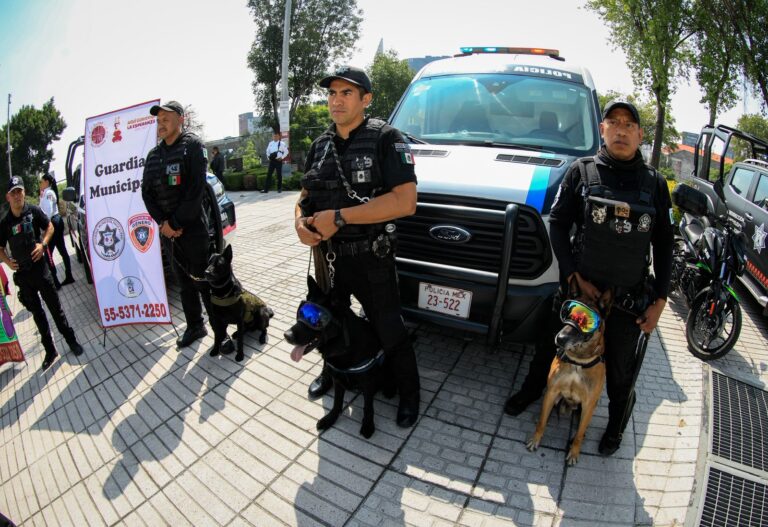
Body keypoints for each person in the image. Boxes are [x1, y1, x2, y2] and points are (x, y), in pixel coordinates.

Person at [503, 100, 674, 455]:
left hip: (626, 301)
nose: (621, 130)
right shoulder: (581, 172)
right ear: (603, 130)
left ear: (640, 134)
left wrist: (660, 301)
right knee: (548, 349)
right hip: (580, 294)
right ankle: (533, 390)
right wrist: (571, 273)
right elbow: (559, 224)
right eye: (614, 122)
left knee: (621, 371)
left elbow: (666, 246)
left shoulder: (655, 184)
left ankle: (614, 426)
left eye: (629, 125)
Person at [295, 66, 421, 428]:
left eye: (346, 93)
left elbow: (405, 201)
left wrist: (340, 217)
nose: (336, 100)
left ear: (366, 99)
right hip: (327, 258)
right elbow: (304, 197)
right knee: (324, 323)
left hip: (370, 256)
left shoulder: (386, 139)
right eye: (332, 93)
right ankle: (332, 375)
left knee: (388, 328)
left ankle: (409, 394)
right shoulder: (320, 145)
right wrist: (299, 224)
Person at [141, 100, 233, 353]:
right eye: (158, 120)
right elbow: (146, 194)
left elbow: (195, 191)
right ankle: (195, 325)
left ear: (180, 119)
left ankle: (221, 332)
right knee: (184, 283)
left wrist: (176, 222)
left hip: (193, 229)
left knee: (205, 281)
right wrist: (164, 223)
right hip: (169, 234)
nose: (161, 124)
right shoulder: (153, 156)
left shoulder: (192, 146)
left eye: (166, 119)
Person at [0, 176, 84, 371]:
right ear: (8, 197)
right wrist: (7, 262)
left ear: (24, 193)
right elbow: (0, 248)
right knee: (38, 315)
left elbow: (50, 226)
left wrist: (43, 244)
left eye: (20, 191)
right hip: (23, 276)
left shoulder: (33, 211)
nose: (17, 195)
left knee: (56, 308)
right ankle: (50, 350)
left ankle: (71, 340)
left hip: (41, 270)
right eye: (13, 192)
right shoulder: (5, 223)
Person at [39, 173, 75, 288]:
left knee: (48, 254)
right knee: (62, 251)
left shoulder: (48, 193)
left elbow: (48, 212)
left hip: (52, 223)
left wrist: (46, 228)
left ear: (47, 182)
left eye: (41, 181)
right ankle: (68, 276)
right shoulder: (47, 193)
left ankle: (56, 282)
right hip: (56, 221)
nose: (40, 184)